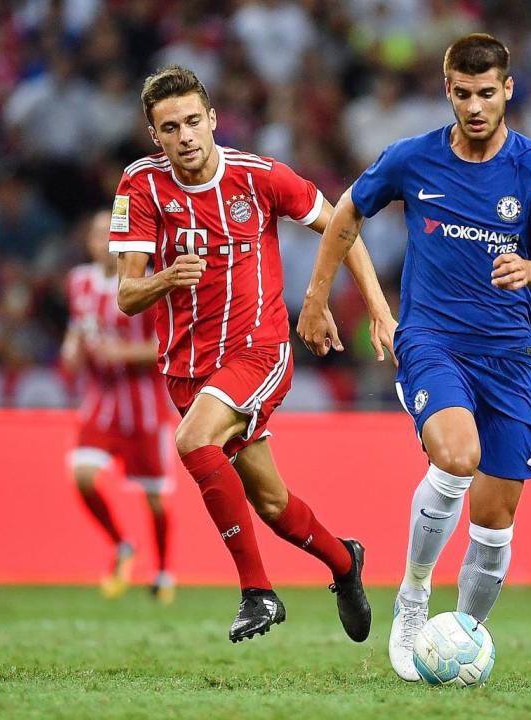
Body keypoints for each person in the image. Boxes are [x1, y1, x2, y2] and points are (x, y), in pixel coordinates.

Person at [297, 33, 531, 681]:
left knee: (495, 519)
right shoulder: (412, 159)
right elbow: (345, 213)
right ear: (446, 90)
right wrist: (317, 298)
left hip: (510, 357)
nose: (475, 106)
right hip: (432, 342)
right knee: (456, 456)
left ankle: (463, 636)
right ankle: (414, 596)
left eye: (487, 93)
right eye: (463, 93)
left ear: (508, 89)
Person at [109, 65, 395, 644]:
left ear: (213, 120)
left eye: (194, 121)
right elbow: (127, 296)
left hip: (257, 351)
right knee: (268, 501)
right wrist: (166, 278)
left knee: (192, 442)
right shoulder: (139, 186)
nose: (186, 135)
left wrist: (376, 308)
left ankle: (257, 592)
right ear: (154, 135)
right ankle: (345, 561)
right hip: (186, 367)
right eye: (171, 127)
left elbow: (342, 224)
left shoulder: (258, 177)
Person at [63, 209, 175, 604]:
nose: (99, 240)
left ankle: (162, 573)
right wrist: (71, 350)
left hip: (143, 406)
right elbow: (78, 328)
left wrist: (123, 352)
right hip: (101, 401)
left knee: (155, 498)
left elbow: (165, 345)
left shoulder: (142, 287)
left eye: (105, 233)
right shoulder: (78, 283)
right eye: (93, 233)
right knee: (82, 476)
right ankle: (122, 544)